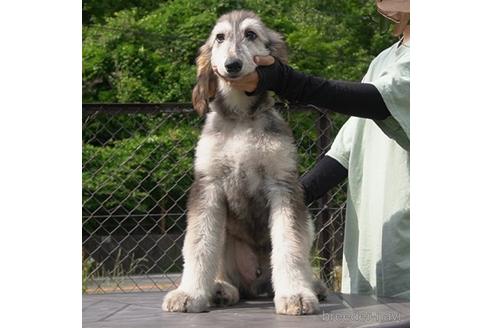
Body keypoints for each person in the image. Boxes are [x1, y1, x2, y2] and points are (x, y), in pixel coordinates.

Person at [223, 0, 410, 299]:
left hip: (410, 241)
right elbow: (345, 150)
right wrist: (289, 201)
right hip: (370, 244)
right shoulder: (384, 60)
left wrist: (285, 80)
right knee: (372, 316)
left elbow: (376, 101)